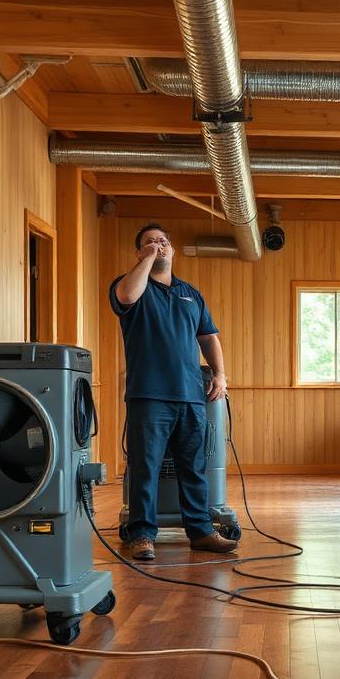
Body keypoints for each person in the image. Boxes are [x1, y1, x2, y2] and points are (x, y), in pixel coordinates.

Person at [110, 223, 237, 560]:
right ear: (139, 252)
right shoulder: (130, 286)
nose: (159, 245)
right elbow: (126, 297)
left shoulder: (191, 293)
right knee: (145, 468)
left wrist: (221, 375)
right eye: (150, 243)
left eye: (164, 241)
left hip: (191, 396)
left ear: (174, 249)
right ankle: (141, 535)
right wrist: (148, 260)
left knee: (194, 468)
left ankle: (200, 531)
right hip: (149, 396)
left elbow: (208, 336)